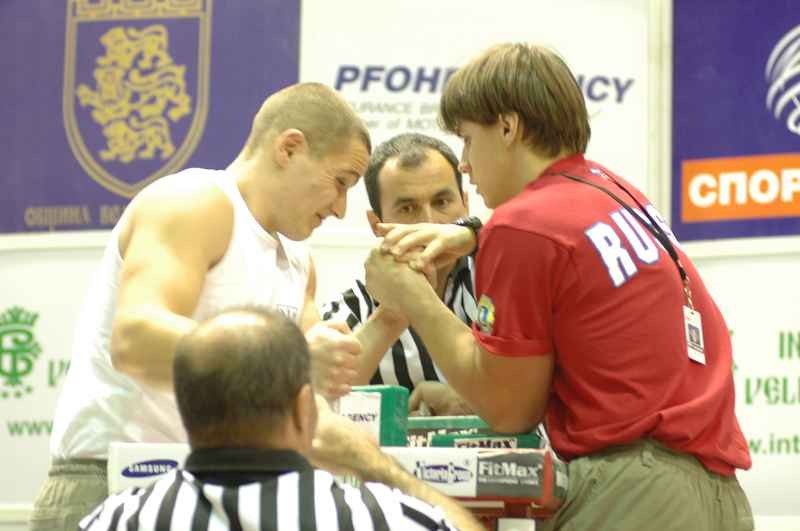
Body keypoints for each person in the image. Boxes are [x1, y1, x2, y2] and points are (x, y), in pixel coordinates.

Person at [364, 43, 754, 530]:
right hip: (714, 493)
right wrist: (472, 234)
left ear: (507, 127)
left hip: (635, 493)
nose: (465, 162)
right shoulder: (614, 190)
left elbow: (509, 411)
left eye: (467, 138)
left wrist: (414, 299)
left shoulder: (523, 225)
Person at [31, 82, 370, 530]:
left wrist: (393, 308)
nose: (342, 209)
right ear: (289, 148)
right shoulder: (194, 202)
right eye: (341, 182)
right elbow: (134, 341)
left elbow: (311, 402)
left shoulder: (300, 263)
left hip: (226, 486)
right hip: (115, 479)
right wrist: (293, 360)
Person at [78, 307, 482, 531]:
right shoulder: (376, 517)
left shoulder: (116, 519)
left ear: (186, 410)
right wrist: (373, 463)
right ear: (305, 408)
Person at [322, 133, 477, 415]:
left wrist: (472, 402)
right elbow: (317, 402)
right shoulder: (351, 312)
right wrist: (391, 316)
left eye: (442, 202)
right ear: (376, 224)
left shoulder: (504, 282)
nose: (430, 223)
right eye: (408, 209)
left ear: (465, 205)